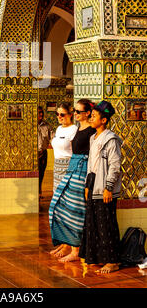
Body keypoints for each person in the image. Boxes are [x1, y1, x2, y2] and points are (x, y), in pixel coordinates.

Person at [49, 99, 96, 261]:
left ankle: (75, 249)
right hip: (70, 169)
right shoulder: (79, 129)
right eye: (74, 111)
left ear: (87, 113)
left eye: (77, 112)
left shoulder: (89, 130)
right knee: (60, 206)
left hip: (79, 170)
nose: (75, 114)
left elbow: (93, 155)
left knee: (74, 211)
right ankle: (66, 243)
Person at [79, 101, 122, 274]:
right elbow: (92, 164)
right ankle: (98, 257)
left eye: (94, 116)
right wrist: (87, 185)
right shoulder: (93, 138)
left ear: (104, 120)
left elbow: (115, 165)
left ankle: (112, 261)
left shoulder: (111, 140)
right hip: (93, 185)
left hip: (104, 187)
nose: (91, 117)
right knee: (94, 224)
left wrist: (108, 187)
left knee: (106, 225)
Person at [49, 102, 78, 258]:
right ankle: (64, 244)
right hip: (57, 169)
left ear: (70, 115)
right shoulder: (59, 129)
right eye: (57, 114)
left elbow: (76, 152)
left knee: (69, 208)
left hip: (68, 169)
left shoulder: (74, 130)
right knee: (59, 208)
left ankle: (73, 246)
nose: (59, 117)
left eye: (62, 114)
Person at [37, 106, 52, 199]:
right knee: (35, 174)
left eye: (41, 112)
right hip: (33, 154)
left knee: (41, 173)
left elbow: (51, 137)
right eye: (39, 112)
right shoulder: (29, 124)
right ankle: (36, 191)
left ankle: (39, 191)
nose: (41, 114)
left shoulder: (46, 125)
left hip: (43, 152)